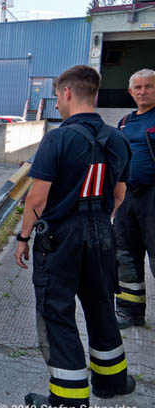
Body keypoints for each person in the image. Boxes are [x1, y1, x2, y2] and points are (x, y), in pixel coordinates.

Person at [14, 65, 134, 408]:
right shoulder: (118, 138)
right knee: (100, 306)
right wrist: (98, 220)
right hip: (101, 232)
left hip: (61, 237)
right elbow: (119, 193)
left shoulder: (57, 139)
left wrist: (23, 238)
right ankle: (112, 382)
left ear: (66, 93)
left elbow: (37, 197)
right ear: (94, 94)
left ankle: (68, 403)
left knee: (57, 312)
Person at [114, 68, 155, 329]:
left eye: (148, 86)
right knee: (125, 255)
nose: (142, 91)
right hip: (128, 197)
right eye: (138, 87)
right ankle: (130, 312)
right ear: (130, 92)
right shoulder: (124, 122)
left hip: (153, 197)